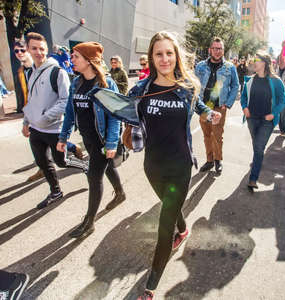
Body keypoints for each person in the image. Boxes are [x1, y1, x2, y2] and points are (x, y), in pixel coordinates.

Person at [94, 31, 221, 300]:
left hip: (180, 166)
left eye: (169, 53)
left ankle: (149, 287)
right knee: (169, 206)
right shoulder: (141, 90)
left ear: (177, 56)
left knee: (165, 223)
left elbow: (199, 105)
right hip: (152, 165)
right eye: (159, 53)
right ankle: (184, 229)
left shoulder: (187, 86)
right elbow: (122, 112)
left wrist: (210, 113)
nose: (165, 59)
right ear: (151, 58)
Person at [57, 42, 126, 239]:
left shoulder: (106, 84)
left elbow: (114, 115)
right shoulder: (76, 83)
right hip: (87, 139)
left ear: (89, 60)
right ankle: (120, 194)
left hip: (103, 141)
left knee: (94, 176)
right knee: (108, 168)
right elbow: (70, 112)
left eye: (76, 57)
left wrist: (112, 143)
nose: (72, 60)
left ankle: (89, 222)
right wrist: (63, 136)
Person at [21, 32, 87, 209]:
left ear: (47, 50)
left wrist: (45, 117)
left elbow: (65, 101)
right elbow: (32, 100)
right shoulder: (30, 73)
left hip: (54, 129)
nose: (38, 52)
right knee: (43, 163)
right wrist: (26, 121)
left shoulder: (57, 72)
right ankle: (56, 191)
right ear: (28, 49)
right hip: (35, 129)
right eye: (34, 48)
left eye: (41, 49)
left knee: (61, 162)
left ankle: (84, 166)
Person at [241, 52, 285, 190]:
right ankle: (257, 161)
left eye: (256, 60)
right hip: (252, 119)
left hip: (267, 121)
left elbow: (282, 100)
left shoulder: (276, 81)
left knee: (259, 147)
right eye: (253, 60)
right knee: (257, 146)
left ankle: (253, 178)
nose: (254, 63)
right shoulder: (249, 80)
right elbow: (244, 97)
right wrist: (244, 108)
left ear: (265, 63)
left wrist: (274, 114)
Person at [195, 37, 239, 174]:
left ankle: (218, 160)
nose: (217, 51)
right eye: (214, 48)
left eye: (220, 49)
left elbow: (235, 86)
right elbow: (194, 83)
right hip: (204, 105)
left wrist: (228, 103)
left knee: (217, 135)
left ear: (223, 51)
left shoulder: (229, 67)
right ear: (210, 50)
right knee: (207, 134)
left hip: (220, 106)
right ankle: (209, 161)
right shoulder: (201, 66)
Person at [13, 40, 33, 113]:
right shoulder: (19, 73)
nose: (19, 53)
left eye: (23, 50)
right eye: (16, 51)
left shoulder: (40, 69)